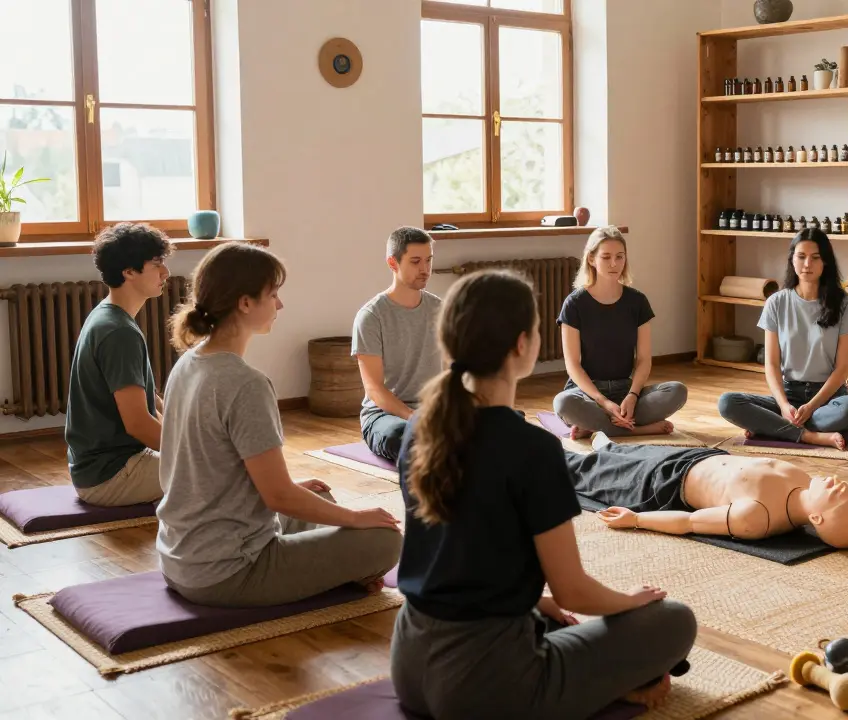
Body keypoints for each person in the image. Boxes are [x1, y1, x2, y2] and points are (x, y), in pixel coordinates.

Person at [392, 269, 696, 720]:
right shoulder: (532, 448)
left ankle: (589, 671)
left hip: (409, 666)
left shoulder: (422, 427)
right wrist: (630, 601)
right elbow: (574, 592)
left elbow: (454, 553)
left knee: (549, 617)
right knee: (673, 620)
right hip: (486, 688)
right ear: (522, 344)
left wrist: (536, 602)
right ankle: (609, 684)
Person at [157, 243, 402, 608]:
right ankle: (353, 567)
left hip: (180, 558)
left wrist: (296, 493)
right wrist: (354, 517)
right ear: (244, 303)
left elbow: (210, 467)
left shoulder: (188, 363)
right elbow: (279, 497)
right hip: (230, 571)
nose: (280, 304)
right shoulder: (246, 383)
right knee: (384, 538)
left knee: (316, 495)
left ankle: (346, 565)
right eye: (273, 294)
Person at [718, 228, 848, 449]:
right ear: (792, 260)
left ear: (825, 262)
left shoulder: (845, 304)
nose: (807, 264)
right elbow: (771, 364)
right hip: (789, 395)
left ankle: (773, 428)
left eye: (815, 258)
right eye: (801, 256)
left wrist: (812, 406)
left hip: (828, 398)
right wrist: (784, 405)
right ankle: (808, 435)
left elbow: (842, 369)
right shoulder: (776, 302)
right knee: (728, 403)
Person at [571, 442, 848, 548]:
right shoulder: (803, 479)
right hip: (694, 456)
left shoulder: (755, 518)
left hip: (658, 483)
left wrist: (636, 519)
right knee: (613, 451)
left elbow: (690, 522)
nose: (840, 484)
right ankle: (607, 446)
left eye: (839, 496)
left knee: (578, 469)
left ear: (817, 517)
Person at [65, 223, 171, 507]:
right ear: (129, 271)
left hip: (104, 467)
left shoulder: (108, 316)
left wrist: (185, 426)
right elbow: (138, 424)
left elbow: (149, 401)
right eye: (156, 264)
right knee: (222, 470)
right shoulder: (119, 332)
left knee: (216, 457)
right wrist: (191, 452)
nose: (166, 273)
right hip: (111, 476)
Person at [554, 226, 687, 439]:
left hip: (625, 390)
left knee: (677, 391)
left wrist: (633, 396)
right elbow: (573, 365)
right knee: (563, 403)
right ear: (591, 259)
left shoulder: (637, 302)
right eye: (606, 257)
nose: (614, 264)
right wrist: (603, 402)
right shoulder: (574, 304)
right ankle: (640, 429)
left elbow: (644, 359)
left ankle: (598, 427)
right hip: (587, 394)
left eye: (619, 257)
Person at [353, 227, 443, 461]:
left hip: (434, 410)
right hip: (385, 416)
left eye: (428, 260)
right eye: (415, 262)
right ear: (393, 263)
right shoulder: (371, 316)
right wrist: (413, 416)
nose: (425, 269)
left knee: (508, 420)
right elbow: (374, 389)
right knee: (405, 436)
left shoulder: (440, 309)